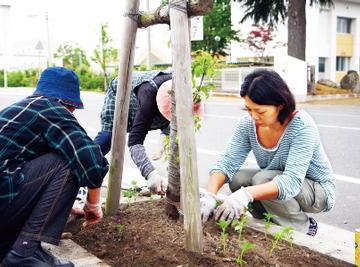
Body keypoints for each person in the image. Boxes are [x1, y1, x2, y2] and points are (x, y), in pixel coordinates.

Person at [0, 67, 109, 266]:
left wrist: (59, 203)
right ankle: (25, 250)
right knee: (66, 160)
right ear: (69, 102)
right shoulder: (51, 109)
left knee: (21, 169)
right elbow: (90, 158)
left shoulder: (23, 108)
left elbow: (30, 177)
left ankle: (4, 246)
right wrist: (92, 205)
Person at [200, 69, 335, 236]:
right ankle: (269, 221)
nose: (253, 116)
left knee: (261, 180)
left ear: (280, 105)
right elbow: (227, 162)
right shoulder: (247, 125)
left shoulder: (302, 126)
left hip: (316, 191)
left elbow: (291, 181)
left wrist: (245, 194)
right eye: (249, 109)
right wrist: (211, 195)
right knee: (237, 179)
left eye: (260, 111)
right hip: (281, 180)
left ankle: (304, 228)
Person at [72, 70, 203, 213]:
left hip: (156, 99)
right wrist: (150, 173)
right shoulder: (148, 96)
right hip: (121, 92)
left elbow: (176, 127)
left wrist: (163, 141)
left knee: (174, 135)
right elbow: (134, 142)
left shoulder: (185, 90)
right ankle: (79, 178)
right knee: (108, 138)